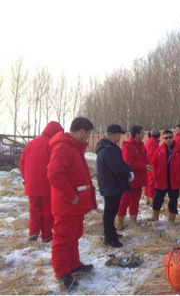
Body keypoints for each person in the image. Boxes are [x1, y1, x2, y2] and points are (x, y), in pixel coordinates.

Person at [47, 117, 97, 289]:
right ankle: (62, 273)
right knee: (63, 238)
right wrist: (71, 195)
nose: (88, 138)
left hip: (75, 205)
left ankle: (73, 264)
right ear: (81, 131)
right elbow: (54, 175)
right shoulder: (63, 147)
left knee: (74, 235)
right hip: (66, 205)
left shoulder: (74, 147)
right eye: (88, 134)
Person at [19, 121, 63, 243]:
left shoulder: (30, 144)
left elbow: (22, 164)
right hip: (47, 186)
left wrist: (27, 179)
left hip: (32, 186)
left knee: (34, 209)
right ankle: (46, 235)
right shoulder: (53, 145)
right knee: (48, 211)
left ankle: (33, 232)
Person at [95, 124, 133, 248]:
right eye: (119, 134)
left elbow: (121, 163)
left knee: (112, 210)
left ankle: (112, 233)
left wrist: (128, 170)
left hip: (113, 184)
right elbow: (116, 168)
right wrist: (128, 173)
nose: (120, 137)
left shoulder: (111, 147)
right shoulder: (107, 149)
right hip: (110, 185)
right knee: (110, 212)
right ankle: (109, 238)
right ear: (114, 134)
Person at [116, 125, 153, 229]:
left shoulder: (141, 145)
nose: (143, 134)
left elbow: (144, 159)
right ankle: (119, 221)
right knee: (125, 200)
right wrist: (144, 166)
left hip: (139, 178)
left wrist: (147, 165)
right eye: (142, 132)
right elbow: (129, 163)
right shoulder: (128, 145)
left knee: (135, 200)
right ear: (136, 134)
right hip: (129, 178)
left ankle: (133, 220)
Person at [151, 129, 180, 222]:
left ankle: (171, 220)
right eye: (166, 138)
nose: (168, 140)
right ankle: (155, 217)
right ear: (163, 139)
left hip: (175, 180)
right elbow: (153, 164)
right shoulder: (159, 150)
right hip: (161, 180)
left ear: (173, 137)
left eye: (170, 137)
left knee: (173, 201)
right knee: (157, 199)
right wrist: (155, 175)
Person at [144, 128, 161, 206]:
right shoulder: (153, 143)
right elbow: (153, 156)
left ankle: (147, 199)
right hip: (151, 166)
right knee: (151, 183)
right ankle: (152, 201)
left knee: (147, 183)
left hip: (147, 165)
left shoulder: (148, 142)